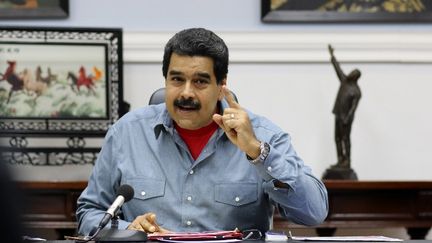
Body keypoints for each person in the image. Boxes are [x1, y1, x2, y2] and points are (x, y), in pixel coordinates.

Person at [77, 28, 328, 236]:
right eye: (176, 80)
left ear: (221, 86)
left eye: (200, 81)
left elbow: (313, 213)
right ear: (165, 81)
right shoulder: (126, 133)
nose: (186, 92)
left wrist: (258, 153)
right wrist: (127, 230)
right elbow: (89, 212)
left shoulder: (263, 135)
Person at [328, 44, 361, 168]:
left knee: (345, 139)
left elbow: (353, 108)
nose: (350, 73)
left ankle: (347, 160)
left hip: (346, 118)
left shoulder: (356, 91)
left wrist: (347, 118)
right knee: (337, 138)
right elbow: (338, 69)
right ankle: (340, 159)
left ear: (356, 77)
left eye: (353, 73)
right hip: (338, 114)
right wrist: (332, 56)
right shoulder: (344, 81)